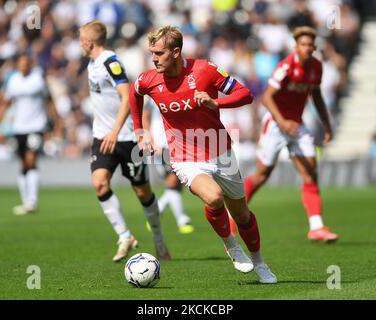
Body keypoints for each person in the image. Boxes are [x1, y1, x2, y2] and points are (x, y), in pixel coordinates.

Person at [129, 26, 277, 283]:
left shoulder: (205, 70)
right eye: (151, 52)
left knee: (242, 215)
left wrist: (214, 102)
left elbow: (246, 94)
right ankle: (230, 244)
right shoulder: (149, 79)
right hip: (185, 157)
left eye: (159, 53)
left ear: (175, 52)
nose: (153, 58)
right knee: (214, 197)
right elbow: (134, 93)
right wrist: (140, 130)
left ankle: (260, 263)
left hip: (221, 150)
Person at [79, 20, 170, 262]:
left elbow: (127, 95)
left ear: (88, 42)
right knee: (99, 183)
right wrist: (107, 132)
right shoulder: (92, 63)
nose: (80, 44)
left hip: (126, 138)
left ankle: (159, 240)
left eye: (81, 40)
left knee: (142, 192)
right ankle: (125, 236)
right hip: (102, 137)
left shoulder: (110, 62)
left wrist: (115, 130)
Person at [239, 26, 339, 242]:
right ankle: (235, 211)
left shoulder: (316, 67)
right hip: (276, 124)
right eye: (303, 44)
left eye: (310, 45)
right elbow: (266, 97)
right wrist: (282, 121)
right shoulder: (285, 67)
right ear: (296, 47)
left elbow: (317, 97)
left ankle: (316, 227)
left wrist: (328, 126)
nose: (307, 48)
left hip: (297, 125)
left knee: (310, 172)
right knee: (262, 175)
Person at [0, 53, 62, 215]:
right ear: (17, 66)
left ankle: (32, 201)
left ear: (30, 64)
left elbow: (49, 101)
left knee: (31, 159)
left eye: (26, 63)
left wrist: (57, 123)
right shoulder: (13, 81)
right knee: (23, 163)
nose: (24, 66)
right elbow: (5, 103)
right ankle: (25, 201)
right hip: (18, 128)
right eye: (21, 64)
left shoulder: (38, 80)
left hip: (36, 126)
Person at [142, 98, 194, 234]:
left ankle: (156, 213)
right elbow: (145, 116)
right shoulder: (152, 95)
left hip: (177, 143)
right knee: (173, 181)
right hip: (162, 144)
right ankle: (182, 220)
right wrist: (150, 140)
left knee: (177, 184)